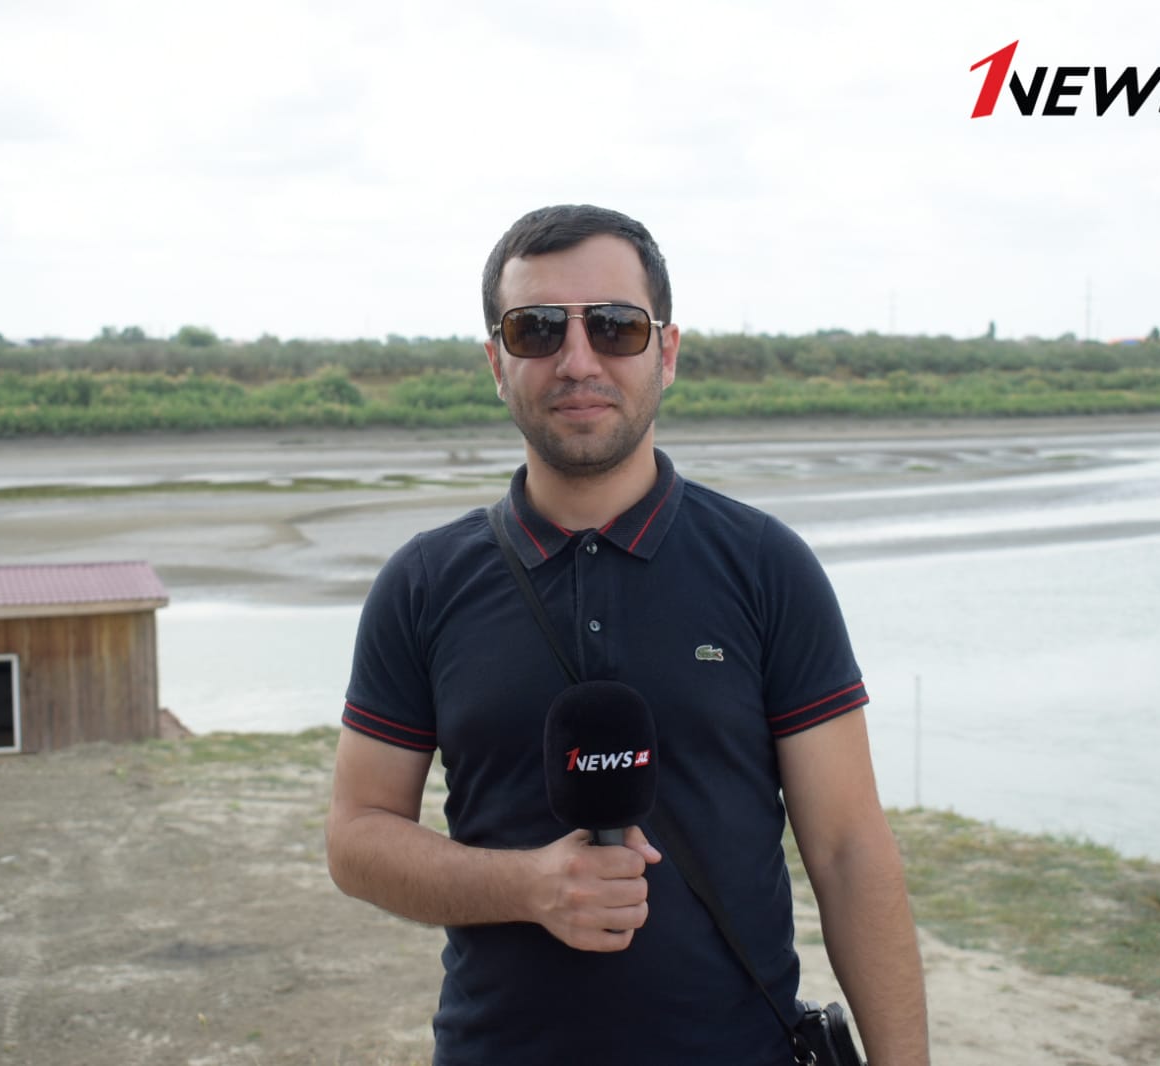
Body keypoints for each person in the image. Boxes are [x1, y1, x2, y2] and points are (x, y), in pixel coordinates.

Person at [325, 204, 929, 1065]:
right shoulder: (423, 583)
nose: (578, 360)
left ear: (666, 352)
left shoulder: (766, 567)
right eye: (536, 330)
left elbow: (847, 851)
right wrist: (526, 886)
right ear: (496, 363)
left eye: (615, 326)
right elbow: (357, 836)